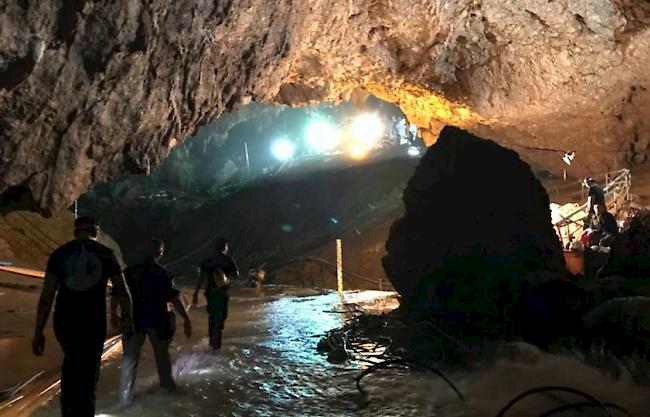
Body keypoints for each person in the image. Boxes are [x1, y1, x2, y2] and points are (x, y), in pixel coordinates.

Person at [32, 217, 132, 417]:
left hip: (65, 321)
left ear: (75, 231)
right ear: (96, 232)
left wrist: (39, 331)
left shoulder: (60, 254)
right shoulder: (106, 254)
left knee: (71, 367)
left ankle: (67, 412)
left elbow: (47, 295)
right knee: (88, 378)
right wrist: (127, 321)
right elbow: (122, 292)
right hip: (93, 322)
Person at [117, 239, 192, 408]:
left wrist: (117, 316)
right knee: (162, 356)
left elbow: (118, 294)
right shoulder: (163, 274)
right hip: (158, 320)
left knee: (130, 359)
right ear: (160, 254)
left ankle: (124, 399)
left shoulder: (129, 272)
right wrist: (186, 319)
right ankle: (167, 389)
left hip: (134, 320)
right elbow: (174, 298)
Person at [193, 238, 238, 351]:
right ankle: (216, 348)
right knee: (220, 319)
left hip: (210, 293)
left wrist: (195, 293)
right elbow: (236, 275)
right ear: (225, 247)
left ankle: (212, 343)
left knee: (212, 317)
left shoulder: (207, 259)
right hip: (222, 293)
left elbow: (201, 278)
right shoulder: (228, 259)